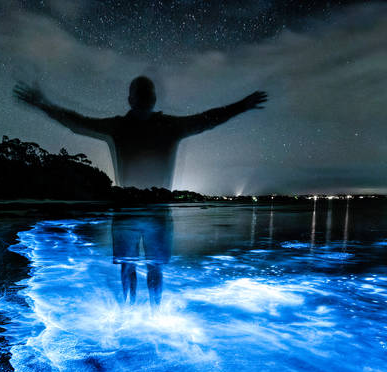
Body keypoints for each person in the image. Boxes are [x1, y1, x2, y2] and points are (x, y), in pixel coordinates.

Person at [14, 76, 267, 305]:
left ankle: (138, 317)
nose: (144, 97)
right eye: (142, 92)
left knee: (139, 266)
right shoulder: (139, 127)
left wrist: (241, 106)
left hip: (140, 210)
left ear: (137, 99)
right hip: (140, 210)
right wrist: (42, 105)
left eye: (145, 92)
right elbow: (76, 123)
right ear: (140, 99)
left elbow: (209, 119)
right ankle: (139, 317)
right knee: (139, 266)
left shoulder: (141, 127)